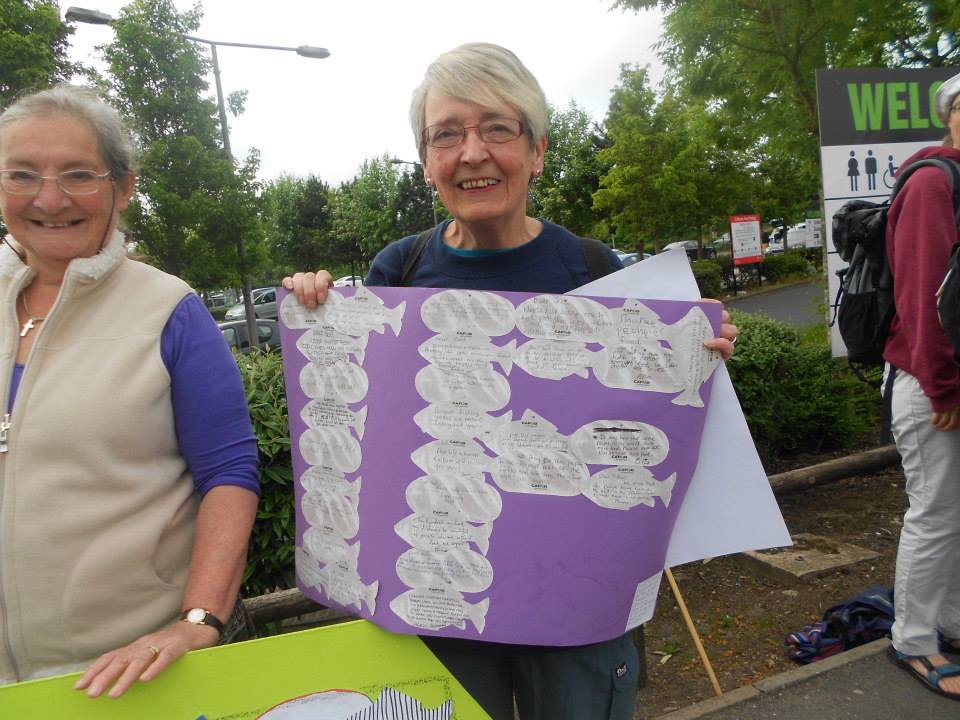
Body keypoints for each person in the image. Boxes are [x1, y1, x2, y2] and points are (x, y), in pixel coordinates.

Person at [285, 43, 737, 720]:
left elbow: (638, 421)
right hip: (437, 605)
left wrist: (701, 357)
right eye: (447, 134)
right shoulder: (397, 272)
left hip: (575, 611)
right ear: (427, 160)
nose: (472, 153)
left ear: (537, 151)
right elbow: (363, 429)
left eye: (498, 128)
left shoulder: (592, 267)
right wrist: (316, 315)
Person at [0, 85, 260, 699]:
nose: (49, 198)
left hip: (133, 676)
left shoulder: (169, 310)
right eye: (22, 174)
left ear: (123, 186)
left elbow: (228, 472)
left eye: (78, 174)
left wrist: (197, 622)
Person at [883, 70, 960, 700]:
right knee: (935, 513)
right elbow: (921, 296)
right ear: (951, 113)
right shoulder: (934, 183)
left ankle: (950, 623)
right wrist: (943, 387)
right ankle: (913, 639)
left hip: (948, 382)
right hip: (930, 383)